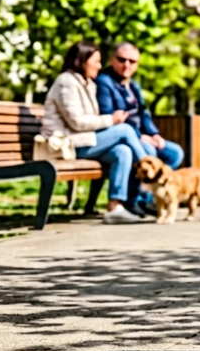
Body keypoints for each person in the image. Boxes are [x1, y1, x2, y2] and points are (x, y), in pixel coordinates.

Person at [41, 41, 150, 224]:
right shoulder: (66, 82)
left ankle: (115, 207)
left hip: (82, 142)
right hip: (67, 145)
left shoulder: (87, 83)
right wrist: (111, 120)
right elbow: (76, 122)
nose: (100, 66)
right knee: (124, 129)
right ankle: (152, 175)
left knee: (123, 151)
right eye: (96, 61)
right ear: (82, 61)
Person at [95, 42, 185, 211]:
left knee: (174, 153)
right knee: (149, 152)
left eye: (132, 61)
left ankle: (149, 195)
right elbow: (110, 115)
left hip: (141, 135)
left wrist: (154, 134)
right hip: (117, 136)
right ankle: (136, 200)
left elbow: (144, 113)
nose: (126, 64)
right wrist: (139, 135)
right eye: (122, 59)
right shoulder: (104, 82)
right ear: (111, 59)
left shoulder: (133, 85)